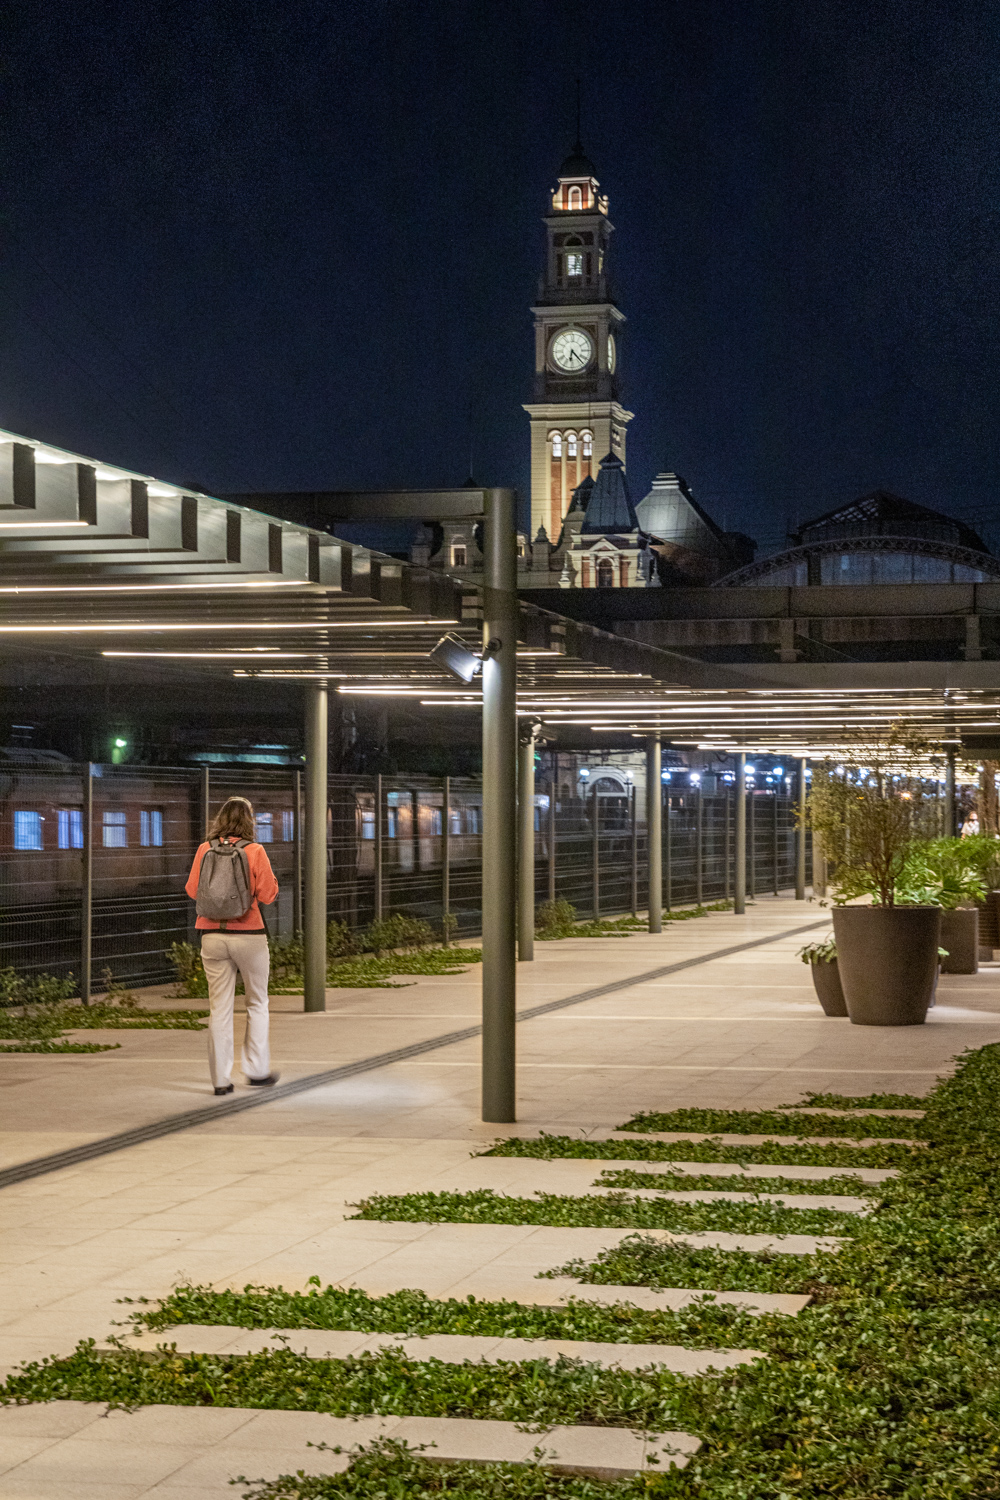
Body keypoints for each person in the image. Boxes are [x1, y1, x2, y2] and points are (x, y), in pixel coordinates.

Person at [185, 796, 280, 1095]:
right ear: (249, 820)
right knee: (257, 1003)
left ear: (221, 819)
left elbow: (191, 889)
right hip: (249, 935)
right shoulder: (255, 850)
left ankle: (220, 1081)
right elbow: (268, 895)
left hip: (211, 936)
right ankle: (256, 1070)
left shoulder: (204, 849)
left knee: (219, 1009)